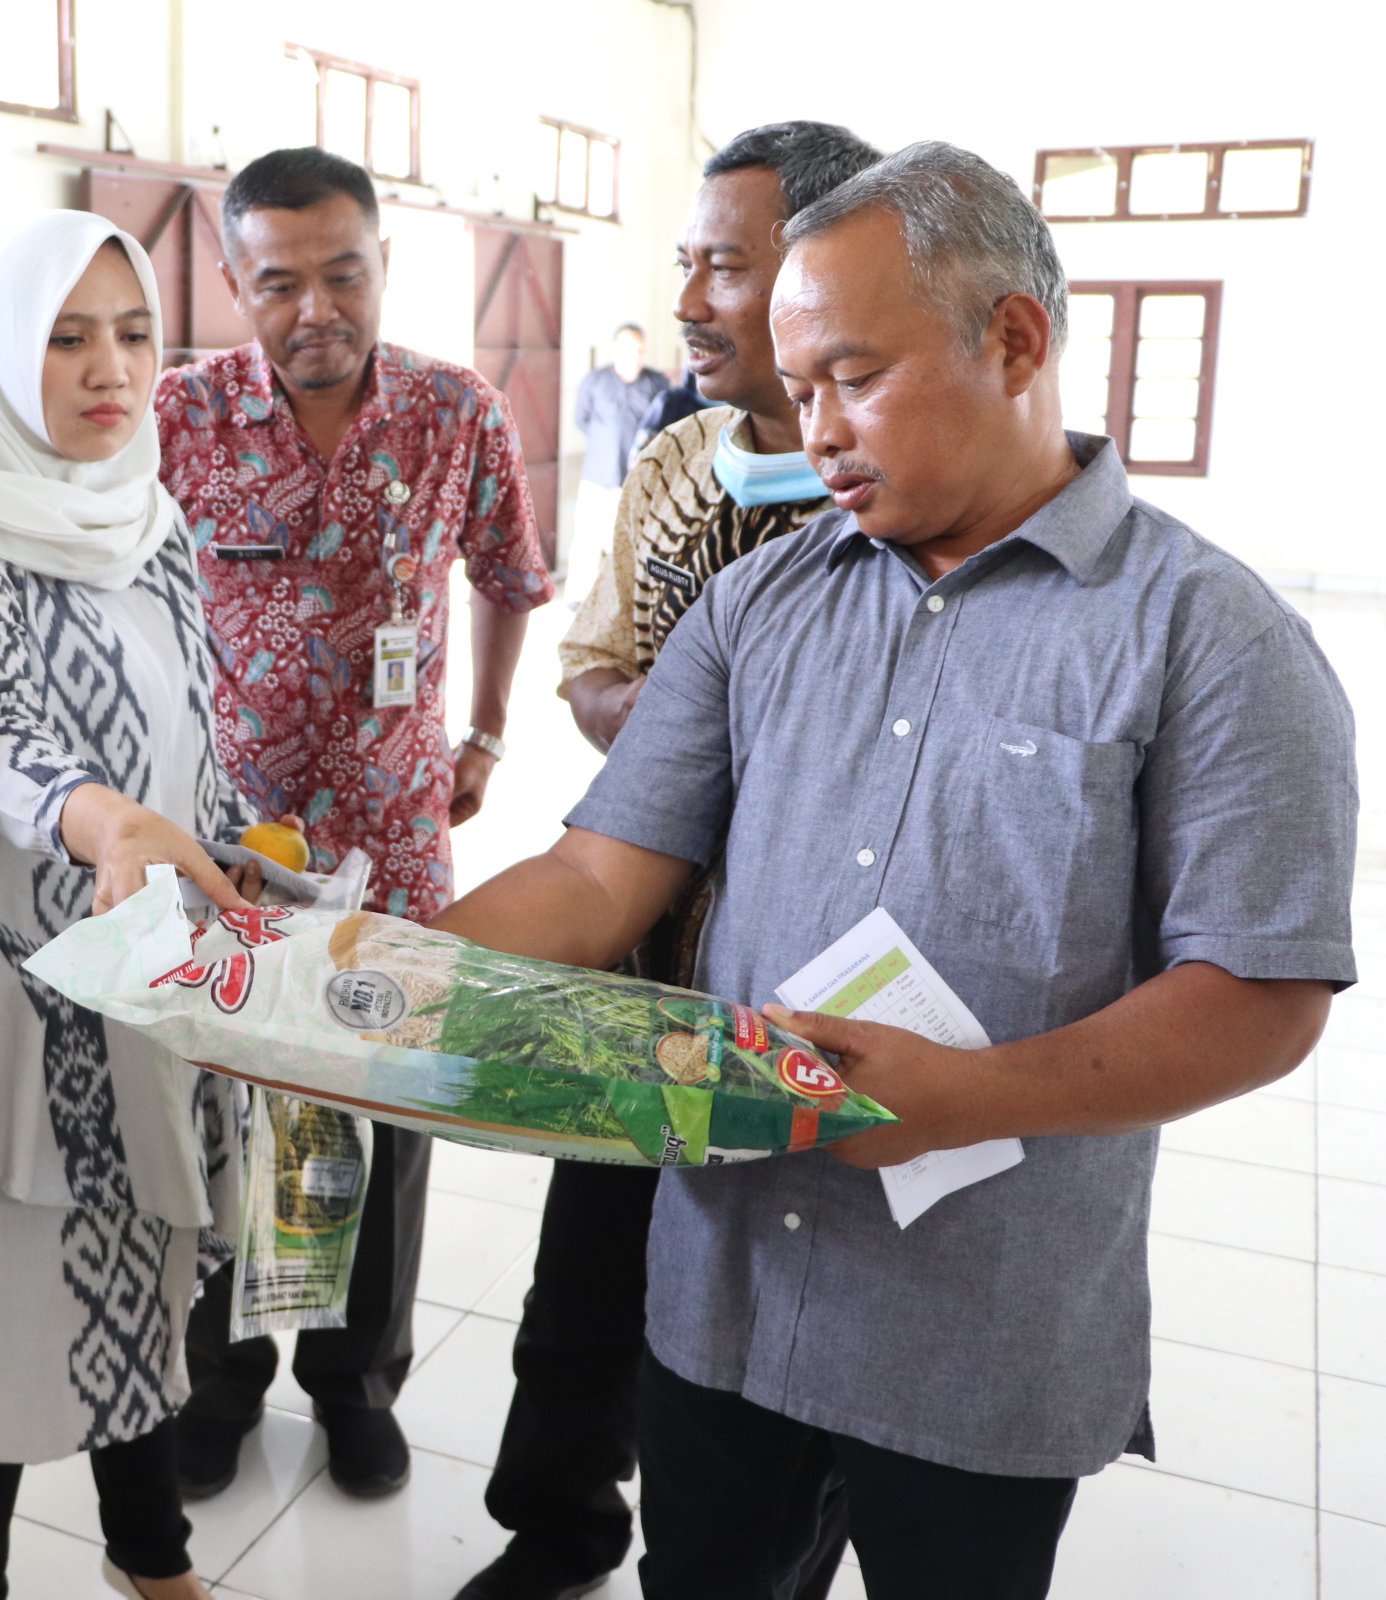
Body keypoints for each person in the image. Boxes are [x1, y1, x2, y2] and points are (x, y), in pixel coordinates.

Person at [434, 142, 1356, 1600]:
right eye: (800, 389)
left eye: (855, 379)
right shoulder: (758, 605)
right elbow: (599, 876)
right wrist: (378, 972)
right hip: (728, 1286)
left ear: (1016, 341)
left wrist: (964, 1097)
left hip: (979, 1328)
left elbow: (1262, 996)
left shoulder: (1212, 640)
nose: (819, 432)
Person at [457, 119, 881, 1600]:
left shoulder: (891, 496)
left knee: (776, 1347)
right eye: (686, 263)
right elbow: (592, 663)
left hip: (808, 995)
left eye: (728, 268)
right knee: (583, 1286)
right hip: (636, 964)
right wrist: (671, 727)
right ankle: (557, 1523)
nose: (690, 301)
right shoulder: (677, 462)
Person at [0, 211, 257, 1600]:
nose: (112, 370)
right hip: (17, 1005)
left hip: (154, 984)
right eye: (67, 338)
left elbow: (195, 726)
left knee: (144, 1291)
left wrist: (231, 848)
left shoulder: (151, 520)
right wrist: (104, 821)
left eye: (135, 333)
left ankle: (152, 1558)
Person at [154, 144, 551, 1503]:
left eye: (344, 275)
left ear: (384, 264)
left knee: (384, 1112)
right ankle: (218, 1381)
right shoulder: (180, 416)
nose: (315, 309)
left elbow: (511, 576)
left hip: (395, 831)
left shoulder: (453, 411)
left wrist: (485, 732)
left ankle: (355, 1384)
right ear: (233, 284)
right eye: (279, 283)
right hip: (224, 842)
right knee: (223, 1110)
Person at [570, 322, 667, 573]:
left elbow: (665, 427)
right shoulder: (595, 381)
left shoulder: (658, 384)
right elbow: (582, 419)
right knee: (585, 546)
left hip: (636, 482)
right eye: (627, 349)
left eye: (639, 350)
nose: (634, 356)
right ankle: (579, 594)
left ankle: (618, 594)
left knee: (626, 549)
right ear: (614, 350)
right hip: (596, 480)